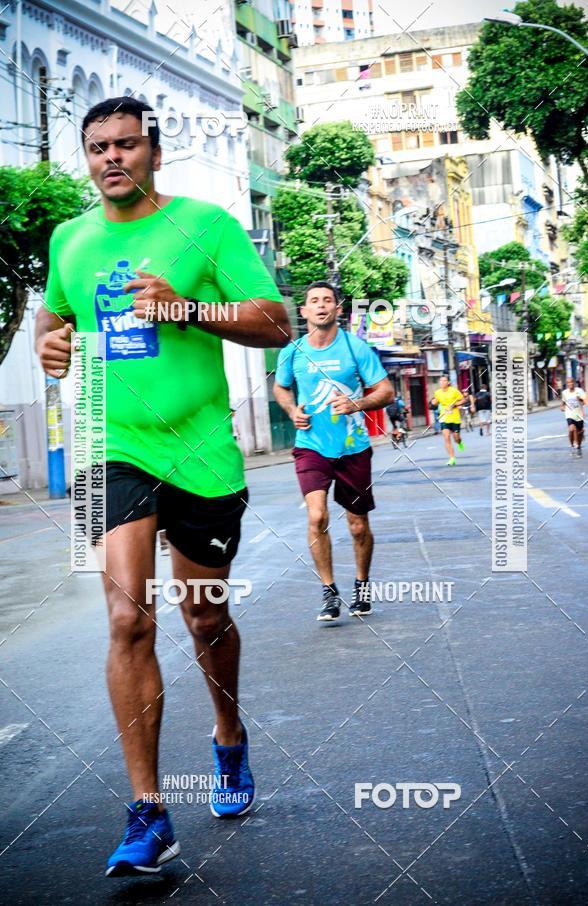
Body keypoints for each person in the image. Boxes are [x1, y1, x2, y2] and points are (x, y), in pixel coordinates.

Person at [35, 97, 291, 876]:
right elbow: (51, 318)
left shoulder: (206, 226)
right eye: (96, 147)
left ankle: (229, 737)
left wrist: (187, 308)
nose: (110, 158)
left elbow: (274, 321)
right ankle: (147, 812)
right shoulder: (69, 238)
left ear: (152, 151)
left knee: (203, 618)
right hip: (112, 445)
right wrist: (51, 347)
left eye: (124, 145)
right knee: (125, 618)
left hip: (204, 451)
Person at [273, 282, 394, 622]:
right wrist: (291, 409)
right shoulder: (293, 351)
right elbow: (281, 387)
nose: (321, 305)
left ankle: (362, 586)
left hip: (353, 448)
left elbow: (386, 391)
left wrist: (357, 403)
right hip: (311, 445)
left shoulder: (356, 348)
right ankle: (329, 591)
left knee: (357, 525)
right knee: (317, 516)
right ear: (304, 312)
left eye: (328, 300)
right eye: (314, 301)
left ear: (338, 309)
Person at [431, 375, 465, 466]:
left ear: (448, 382)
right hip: (444, 417)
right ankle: (452, 458)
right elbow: (435, 401)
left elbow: (463, 400)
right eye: (440, 381)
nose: (442, 382)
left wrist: (455, 404)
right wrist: (433, 402)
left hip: (455, 417)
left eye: (444, 381)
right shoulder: (437, 392)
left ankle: (459, 442)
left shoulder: (454, 391)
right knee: (446, 437)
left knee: (456, 437)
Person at [561, 377, 586, 456]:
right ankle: (572, 445)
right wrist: (562, 407)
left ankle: (578, 445)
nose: (570, 384)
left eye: (571, 382)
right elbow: (563, 403)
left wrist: (580, 400)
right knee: (572, 428)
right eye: (568, 382)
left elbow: (585, 401)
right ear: (567, 384)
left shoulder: (579, 391)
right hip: (569, 414)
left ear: (574, 383)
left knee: (580, 432)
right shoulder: (564, 393)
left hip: (579, 414)